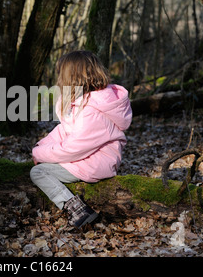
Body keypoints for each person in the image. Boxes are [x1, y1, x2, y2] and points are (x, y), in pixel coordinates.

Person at [30, 50, 132, 228]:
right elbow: (64, 129)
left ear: (73, 78)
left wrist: (41, 155)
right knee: (43, 163)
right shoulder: (83, 102)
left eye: (62, 75)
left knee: (39, 172)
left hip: (96, 162)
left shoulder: (90, 111)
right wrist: (41, 146)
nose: (59, 80)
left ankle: (77, 210)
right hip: (89, 158)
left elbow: (73, 148)